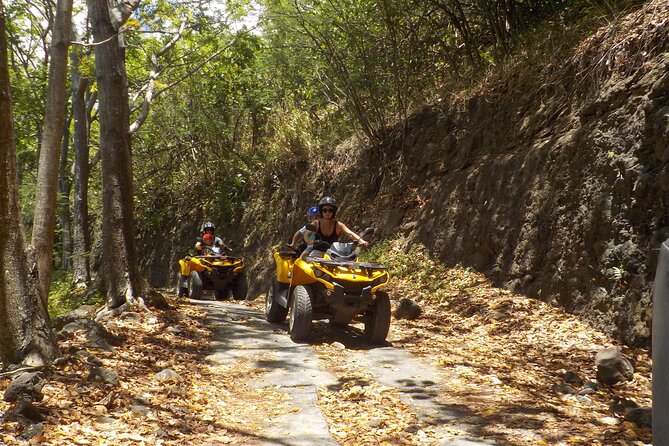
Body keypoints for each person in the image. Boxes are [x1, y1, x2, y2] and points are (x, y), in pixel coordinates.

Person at [302, 196, 368, 257]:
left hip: (334, 253)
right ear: (321, 211)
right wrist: (310, 242)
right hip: (318, 251)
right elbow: (306, 235)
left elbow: (350, 233)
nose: (327, 212)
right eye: (325, 210)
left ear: (334, 212)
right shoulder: (316, 223)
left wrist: (361, 241)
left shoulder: (338, 225)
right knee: (312, 267)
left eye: (330, 210)